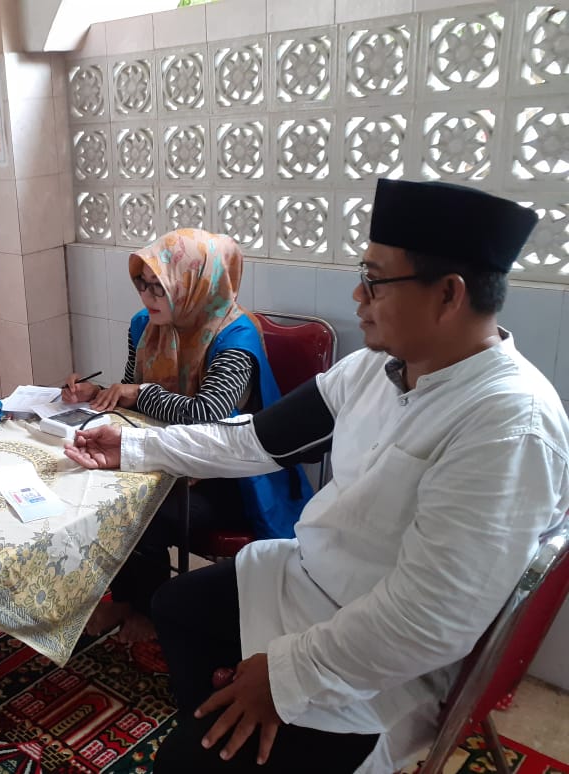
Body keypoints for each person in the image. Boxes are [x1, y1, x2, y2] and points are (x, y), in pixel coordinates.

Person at [64, 179, 569, 773]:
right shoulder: (375, 368)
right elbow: (254, 438)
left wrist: (282, 675)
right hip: (314, 582)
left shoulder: (508, 424)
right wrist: (133, 446)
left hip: (387, 666)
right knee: (176, 607)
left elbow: (430, 622)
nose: (358, 294)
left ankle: (225, 744)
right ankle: (223, 730)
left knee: (179, 765)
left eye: (375, 280)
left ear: (449, 296)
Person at [62, 229, 311, 642]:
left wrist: (139, 394)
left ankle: (150, 606)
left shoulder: (235, 336)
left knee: (146, 509)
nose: (146, 298)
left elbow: (207, 415)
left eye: (159, 287)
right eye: (142, 284)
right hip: (164, 455)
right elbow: (131, 391)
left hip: (229, 477)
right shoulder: (146, 325)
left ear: (194, 283)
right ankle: (125, 597)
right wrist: (100, 394)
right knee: (100, 485)